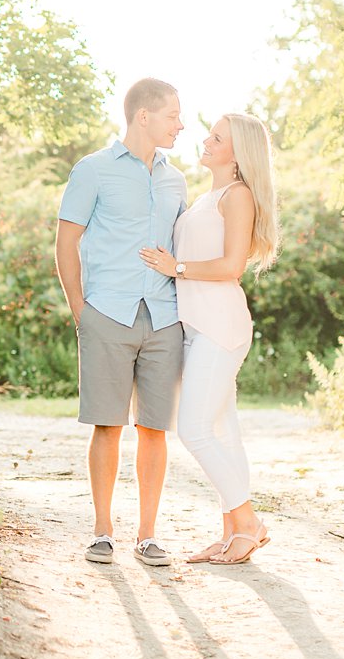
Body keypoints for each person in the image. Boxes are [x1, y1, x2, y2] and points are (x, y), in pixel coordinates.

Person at [55, 78, 187, 566]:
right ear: (143, 116)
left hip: (164, 315)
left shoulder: (176, 179)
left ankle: (148, 534)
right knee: (107, 425)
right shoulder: (92, 170)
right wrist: (79, 310)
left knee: (154, 428)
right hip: (107, 313)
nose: (181, 124)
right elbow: (65, 243)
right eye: (173, 115)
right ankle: (102, 530)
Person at [139, 112, 279, 564]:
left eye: (217, 138)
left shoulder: (237, 197)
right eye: (211, 134)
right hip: (197, 325)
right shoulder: (209, 196)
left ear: (238, 155)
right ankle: (230, 535)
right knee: (222, 430)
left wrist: (174, 267)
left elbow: (231, 267)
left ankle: (249, 522)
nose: (206, 140)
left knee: (194, 429)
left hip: (220, 326)